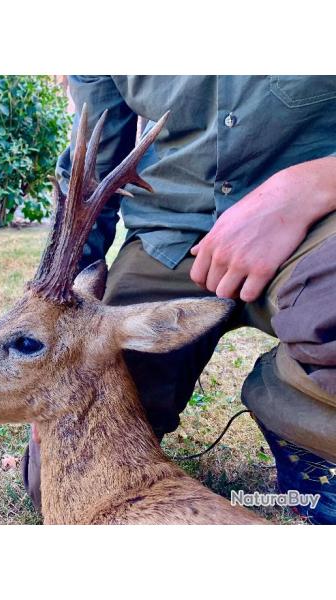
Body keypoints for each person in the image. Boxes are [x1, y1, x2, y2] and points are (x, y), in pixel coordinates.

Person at [22, 76, 336, 524]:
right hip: (167, 238)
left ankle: (296, 417)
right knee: (62, 478)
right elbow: (89, 171)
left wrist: (314, 185)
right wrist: (52, 356)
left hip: (318, 221)